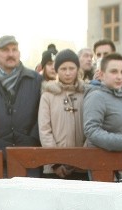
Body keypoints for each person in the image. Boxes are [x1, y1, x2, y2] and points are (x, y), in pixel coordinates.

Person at [0, 35, 42, 156]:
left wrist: (32, 139)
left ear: (19, 53)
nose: (11, 54)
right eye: (5, 50)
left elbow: (43, 113)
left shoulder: (35, 80)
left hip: (30, 152)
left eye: (14, 49)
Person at [38, 49, 86, 178]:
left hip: (82, 165)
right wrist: (55, 162)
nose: (68, 73)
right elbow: (44, 130)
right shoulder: (48, 95)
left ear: (78, 69)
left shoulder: (85, 93)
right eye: (63, 69)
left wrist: (84, 158)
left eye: (72, 68)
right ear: (57, 70)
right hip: (55, 168)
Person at [83, 53, 122, 155]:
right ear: (102, 74)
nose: (119, 77)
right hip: (104, 164)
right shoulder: (96, 96)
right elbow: (91, 130)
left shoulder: (121, 96)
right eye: (114, 72)